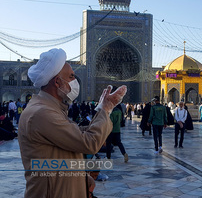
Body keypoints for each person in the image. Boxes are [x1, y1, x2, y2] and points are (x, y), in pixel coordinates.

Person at [18, 48, 127, 198]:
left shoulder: (50, 109)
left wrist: (81, 178)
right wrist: (106, 109)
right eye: (71, 77)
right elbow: (89, 143)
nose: (75, 82)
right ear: (57, 82)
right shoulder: (42, 113)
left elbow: (74, 135)